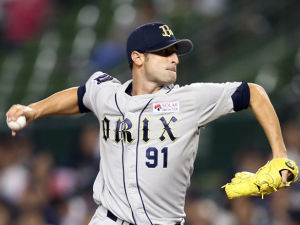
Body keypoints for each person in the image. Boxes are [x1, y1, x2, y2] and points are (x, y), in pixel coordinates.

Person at [6, 22, 292, 225]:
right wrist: (34, 110)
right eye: (165, 52)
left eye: (175, 52)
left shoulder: (189, 100)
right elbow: (81, 95)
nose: (175, 59)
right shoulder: (109, 94)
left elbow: (254, 92)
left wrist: (280, 155)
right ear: (137, 58)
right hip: (108, 219)